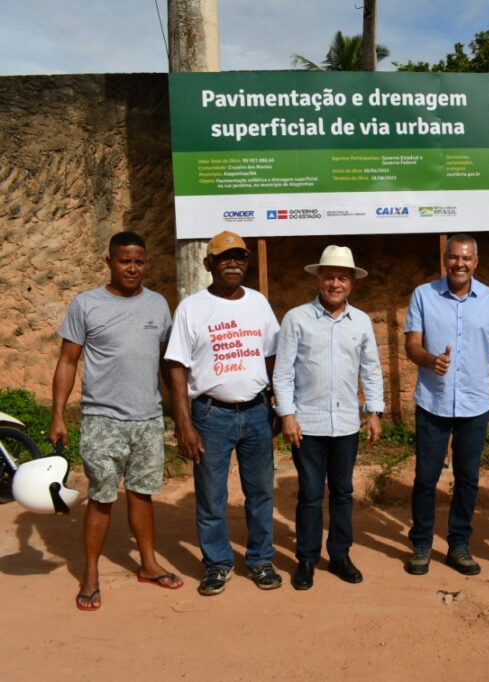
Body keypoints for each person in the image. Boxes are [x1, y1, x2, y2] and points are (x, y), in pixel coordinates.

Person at [50, 231, 181, 611]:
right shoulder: (86, 304)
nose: (133, 268)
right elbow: (67, 361)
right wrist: (58, 415)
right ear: (109, 262)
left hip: (148, 418)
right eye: (125, 260)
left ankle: (148, 564)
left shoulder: (158, 305)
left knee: (142, 494)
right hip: (102, 419)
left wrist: (178, 415)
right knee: (103, 497)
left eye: (139, 261)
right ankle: (90, 574)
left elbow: (166, 365)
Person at [165, 230, 281, 596]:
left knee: (261, 493)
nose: (234, 263)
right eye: (225, 257)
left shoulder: (259, 303)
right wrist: (183, 422)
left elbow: (273, 355)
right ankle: (217, 563)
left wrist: (278, 402)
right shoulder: (192, 308)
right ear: (208, 264)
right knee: (211, 496)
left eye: (240, 257)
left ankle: (261, 559)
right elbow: (177, 367)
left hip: (258, 413)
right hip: (210, 416)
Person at [273, 246, 384, 590]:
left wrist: (374, 412)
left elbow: (372, 369)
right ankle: (306, 559)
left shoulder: (362, 321)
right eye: (330, 277)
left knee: (342, 492)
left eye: (342, 277)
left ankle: (339, 555)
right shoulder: (297, 318)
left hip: (347, 424)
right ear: (319, 279)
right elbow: (283, 372)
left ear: (351, 283)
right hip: (308, 424)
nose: (335, 283)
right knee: (309, 493)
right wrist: (287, 415)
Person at [403, 234, 489, 576]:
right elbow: (412, 346)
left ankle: (459, 545)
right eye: (453, 257)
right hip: (433, 403)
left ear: (476, 262)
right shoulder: (424, 295)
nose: (460, 264)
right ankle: (421, 544)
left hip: (475, 404)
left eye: (466, 258)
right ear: (445, 260)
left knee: (467, 478)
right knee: (425, 477)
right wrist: (429, 359)